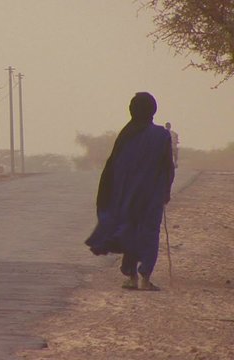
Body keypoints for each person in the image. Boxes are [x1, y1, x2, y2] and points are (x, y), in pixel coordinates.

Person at [85, 92, 175, 291]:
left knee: (130, 232)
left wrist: (110, 195)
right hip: (152, 196)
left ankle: (132, 276)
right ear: (153, 110)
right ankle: (145, 277)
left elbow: (114, 167)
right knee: (150, 233)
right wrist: (165, 191)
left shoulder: (126, 135)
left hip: (127, 196)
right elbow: (168, 167)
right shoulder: (161, 136)